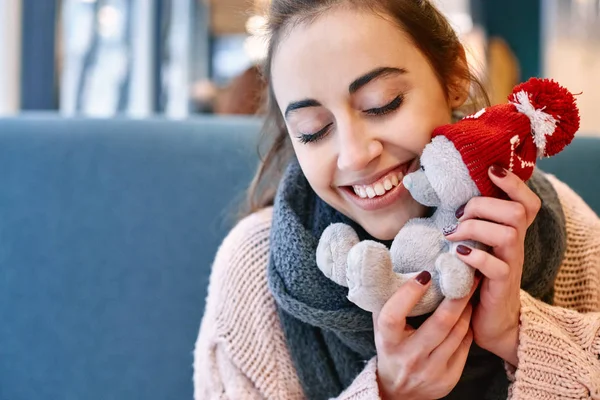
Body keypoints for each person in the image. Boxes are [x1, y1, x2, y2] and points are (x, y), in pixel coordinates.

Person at [194, 1, 600, 399]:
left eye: (382, 104)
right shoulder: (250, 265)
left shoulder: (558, 223)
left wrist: (516, 333)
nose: (354, 155)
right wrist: (388, 393)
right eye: (313, 130)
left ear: (455, 76)